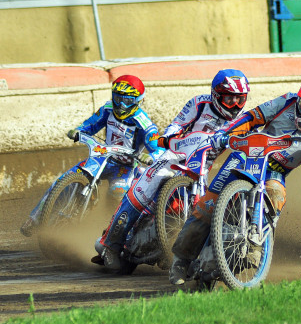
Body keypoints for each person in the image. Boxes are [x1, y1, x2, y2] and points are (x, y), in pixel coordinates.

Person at [169, 74, 301, 285]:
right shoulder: (287, 101)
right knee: (207, 205)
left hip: (275, 172)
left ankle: (254, 247)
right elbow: (253, 117)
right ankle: (181, 260)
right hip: (247, 155)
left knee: (276, 195)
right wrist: (226, 133)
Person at [96, 69, 251, 270]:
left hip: (201, 168)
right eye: (230, 99)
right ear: (216, 95)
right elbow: (177, 125)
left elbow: (248, 141)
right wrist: (170, 137)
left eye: (240, 99)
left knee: (203, 210)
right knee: (143, 191)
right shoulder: (199, 103)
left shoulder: (243, 118)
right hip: (174, 156)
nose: (235, 105)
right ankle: (110, 243)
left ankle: (185, 254)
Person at [19, 74, 163, 236]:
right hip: (101, 157)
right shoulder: (107, 109)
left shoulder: (145, 125)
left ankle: (111, 235)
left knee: (117, 195)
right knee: (65, 179)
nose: (121, 105)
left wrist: (151, 156)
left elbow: (157, 147)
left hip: (125, 167)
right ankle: (35, 219)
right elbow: (90, 124)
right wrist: (79, 131)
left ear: (138, 101)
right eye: (117, 98)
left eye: (127, 101)